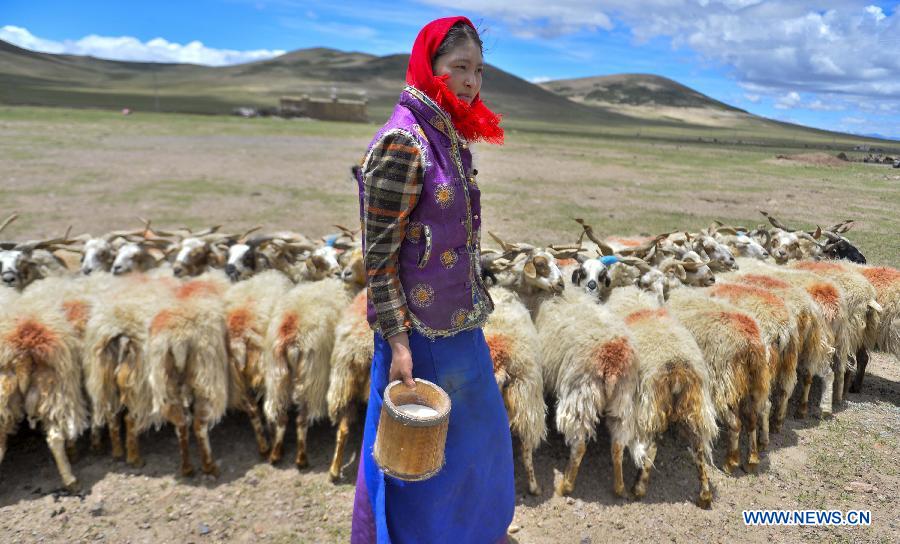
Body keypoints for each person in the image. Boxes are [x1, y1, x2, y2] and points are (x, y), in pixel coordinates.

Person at [350, 16, 514, 544]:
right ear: (430, 65)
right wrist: (398, 343)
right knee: (418, 458)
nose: (470, 81)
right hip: (417, 338)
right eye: (458, 67)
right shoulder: (405, 143)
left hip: (459, 326)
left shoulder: (445, 135)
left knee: (477, 443)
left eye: (478, 70)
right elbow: (378, 256)